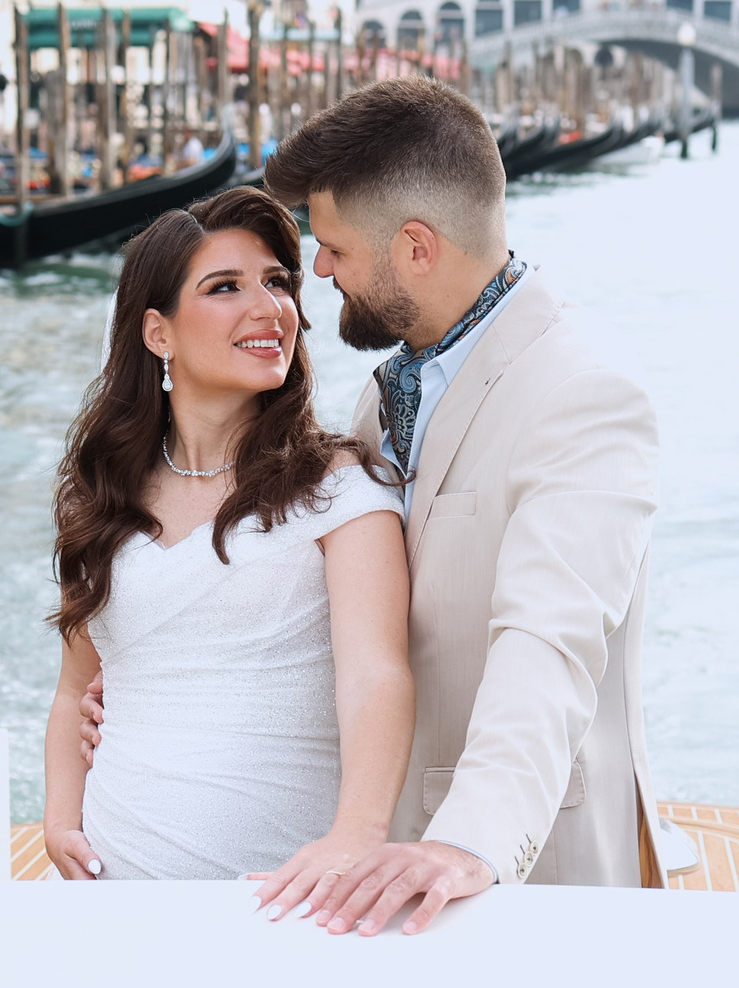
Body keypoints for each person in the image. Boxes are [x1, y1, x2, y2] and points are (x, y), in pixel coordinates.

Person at [89, 79, 661, 935]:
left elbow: (550, 641)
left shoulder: (583, 393)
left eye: (334, 248)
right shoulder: (383, 396)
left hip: (514, 879)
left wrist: (469, 841)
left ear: (416, 247)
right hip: (358, 871)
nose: (317, 273)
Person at [42, 189, 415, 887]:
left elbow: (377, 673)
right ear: (158, 333)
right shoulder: (104, 497)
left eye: (277, 281)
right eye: (225, 287)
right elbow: (72, 691)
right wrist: (60, 818)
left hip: (284, 893)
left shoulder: (340, 488)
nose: (270, 306)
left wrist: (355, 837)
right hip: (111, 887)